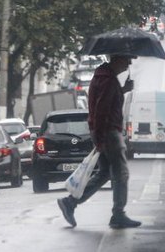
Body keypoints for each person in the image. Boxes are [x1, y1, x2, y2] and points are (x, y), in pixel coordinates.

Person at [57, 54, 141, 229]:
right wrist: (101, 137)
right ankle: (118, 214)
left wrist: (123, 89)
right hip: (110, 133)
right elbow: (102, 110)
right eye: (127, 59)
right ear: (117, 59)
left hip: (103, 132)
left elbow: (103, 104)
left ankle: (70, 202)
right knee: (121, 174)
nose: (129, 63)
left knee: (104, 173)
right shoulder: (108, 80)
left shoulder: (104, 78)